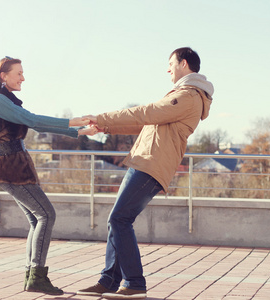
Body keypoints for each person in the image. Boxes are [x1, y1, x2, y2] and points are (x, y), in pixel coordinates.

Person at [77, 47, 214, 299]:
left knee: (119, 219)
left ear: (183, 63)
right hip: (145, 161)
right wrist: (102, 126)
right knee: (116, 220)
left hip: (151, 165)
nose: (168, 68)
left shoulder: (188, 96)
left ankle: (134, 283)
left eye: (170, 63)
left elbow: (145, 112)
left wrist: (101, 116)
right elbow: (145, 122)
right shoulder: (183, 95)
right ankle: (109, 280)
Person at [0, 56, 96, 296]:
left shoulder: (7, 100)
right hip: (9, 164)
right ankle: (37, 277)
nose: (23, 77)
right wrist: (72, 120)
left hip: (17, 163)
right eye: (19, 72)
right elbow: (32, 120)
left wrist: (79, 131)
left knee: (37, 219)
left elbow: (37, 125)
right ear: (4, 75)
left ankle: (32, 277)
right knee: (46, 215)